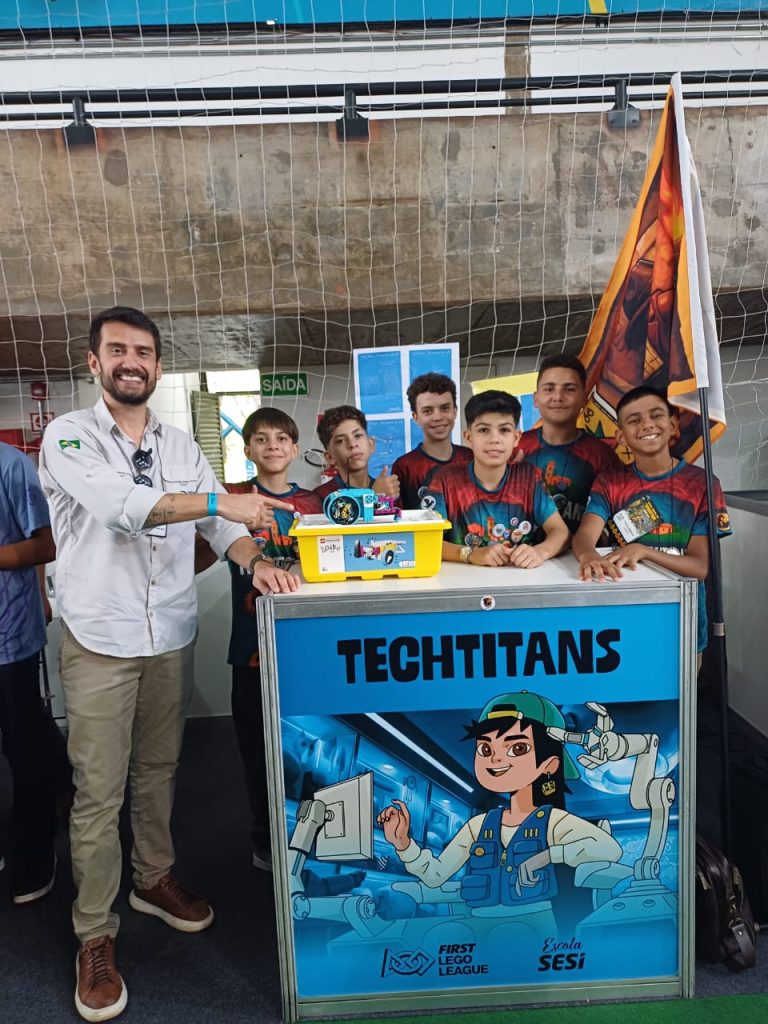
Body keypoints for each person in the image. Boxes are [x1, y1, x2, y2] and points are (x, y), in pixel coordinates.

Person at [39, 306, 298, 1023]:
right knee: (98, 791)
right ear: (95, 362)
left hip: (168, 634)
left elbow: (218, 527)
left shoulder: (181, 443)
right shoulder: (69, 435)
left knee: (159, 768)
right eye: (118, 349)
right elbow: (125, 506)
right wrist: (227, 502)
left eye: (144, 352)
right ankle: (95, 932)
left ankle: (152, 878)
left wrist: (254, 563)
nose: (132, 361)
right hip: (99, 636)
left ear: (158, 365)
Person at [377, 692, 622, 939]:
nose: (495, 758)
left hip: (535, 926)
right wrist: (403, 844)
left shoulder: (552, 821)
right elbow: (435, 876)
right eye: (485, 748)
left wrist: (546, 856)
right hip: (478, 928)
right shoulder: (478, 825)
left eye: (517, 748)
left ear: (549, 764)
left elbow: (608, 849)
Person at [224, 408, 321, 870]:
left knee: (310, 752)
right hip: (252, 650)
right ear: (248, 449)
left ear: (295, 448)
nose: (273, 446)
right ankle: (265, 838)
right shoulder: (233, 502)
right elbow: (208, 549)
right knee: (257, 752)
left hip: (305, 649)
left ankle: (311, 838)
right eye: (261, 439)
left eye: (282, 438)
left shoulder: (314, 503)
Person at [572, 385, 731, 655]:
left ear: (673, 425)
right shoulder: (610, 482)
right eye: (634, 420)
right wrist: (588, 556)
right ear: (621, 437)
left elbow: (699, 567)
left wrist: (643, 551)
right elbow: (585, 536)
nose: (647, 424)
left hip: (683, 622)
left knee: (682, 682)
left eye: (656, 415)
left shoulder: (703, 484)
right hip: (622, 618)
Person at [0, 441, 59, 905]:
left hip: (9, 638)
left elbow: (45, 544)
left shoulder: (13, 465)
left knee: (24, 747)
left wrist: (40, 598)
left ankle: (36, 851)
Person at [424, 390, 568, 568]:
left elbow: (560, 531)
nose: (494, 439)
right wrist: (471, 554)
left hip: (518, 576)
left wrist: (540, 551)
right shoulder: (444, 480)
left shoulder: (528, 477)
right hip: (464, 578)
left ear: (516, 437)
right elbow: (425, 541)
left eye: (504, 430)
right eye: (484, 430)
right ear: (469, 437)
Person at [517, 354, 617, 535]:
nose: (558, 397)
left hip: (579, 550)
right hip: (520, 549)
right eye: (549, 389)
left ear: (584, 398)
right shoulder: (515, 448)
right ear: (535, 399)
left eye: (569, 389)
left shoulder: (602, 456)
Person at [391, 372, 472, 509]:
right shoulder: (404, 467)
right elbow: (399, 516)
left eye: (445, 408)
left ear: (455, 411)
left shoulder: (471, 458)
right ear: (416, 417)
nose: (438, 417)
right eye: (428, 411)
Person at [314, 405, 399, 502]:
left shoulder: (389, 491)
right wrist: (373, 496)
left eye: (357, 436)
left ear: (371, 445)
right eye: (341, 440)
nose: (352, 444)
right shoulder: (320, 498)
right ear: (330, 457)